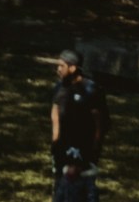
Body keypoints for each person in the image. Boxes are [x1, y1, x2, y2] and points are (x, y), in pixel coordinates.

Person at [50, 55, 112, 202]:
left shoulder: (91, 89)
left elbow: (100, 123)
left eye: (62, 66)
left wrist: (94, 149)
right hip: (62, 146)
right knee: (60, 186)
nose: (58, 69)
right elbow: (55, 115)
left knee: (82, 188)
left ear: (73, 68)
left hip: (83, 148)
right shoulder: (60, 87)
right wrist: (55, 143)